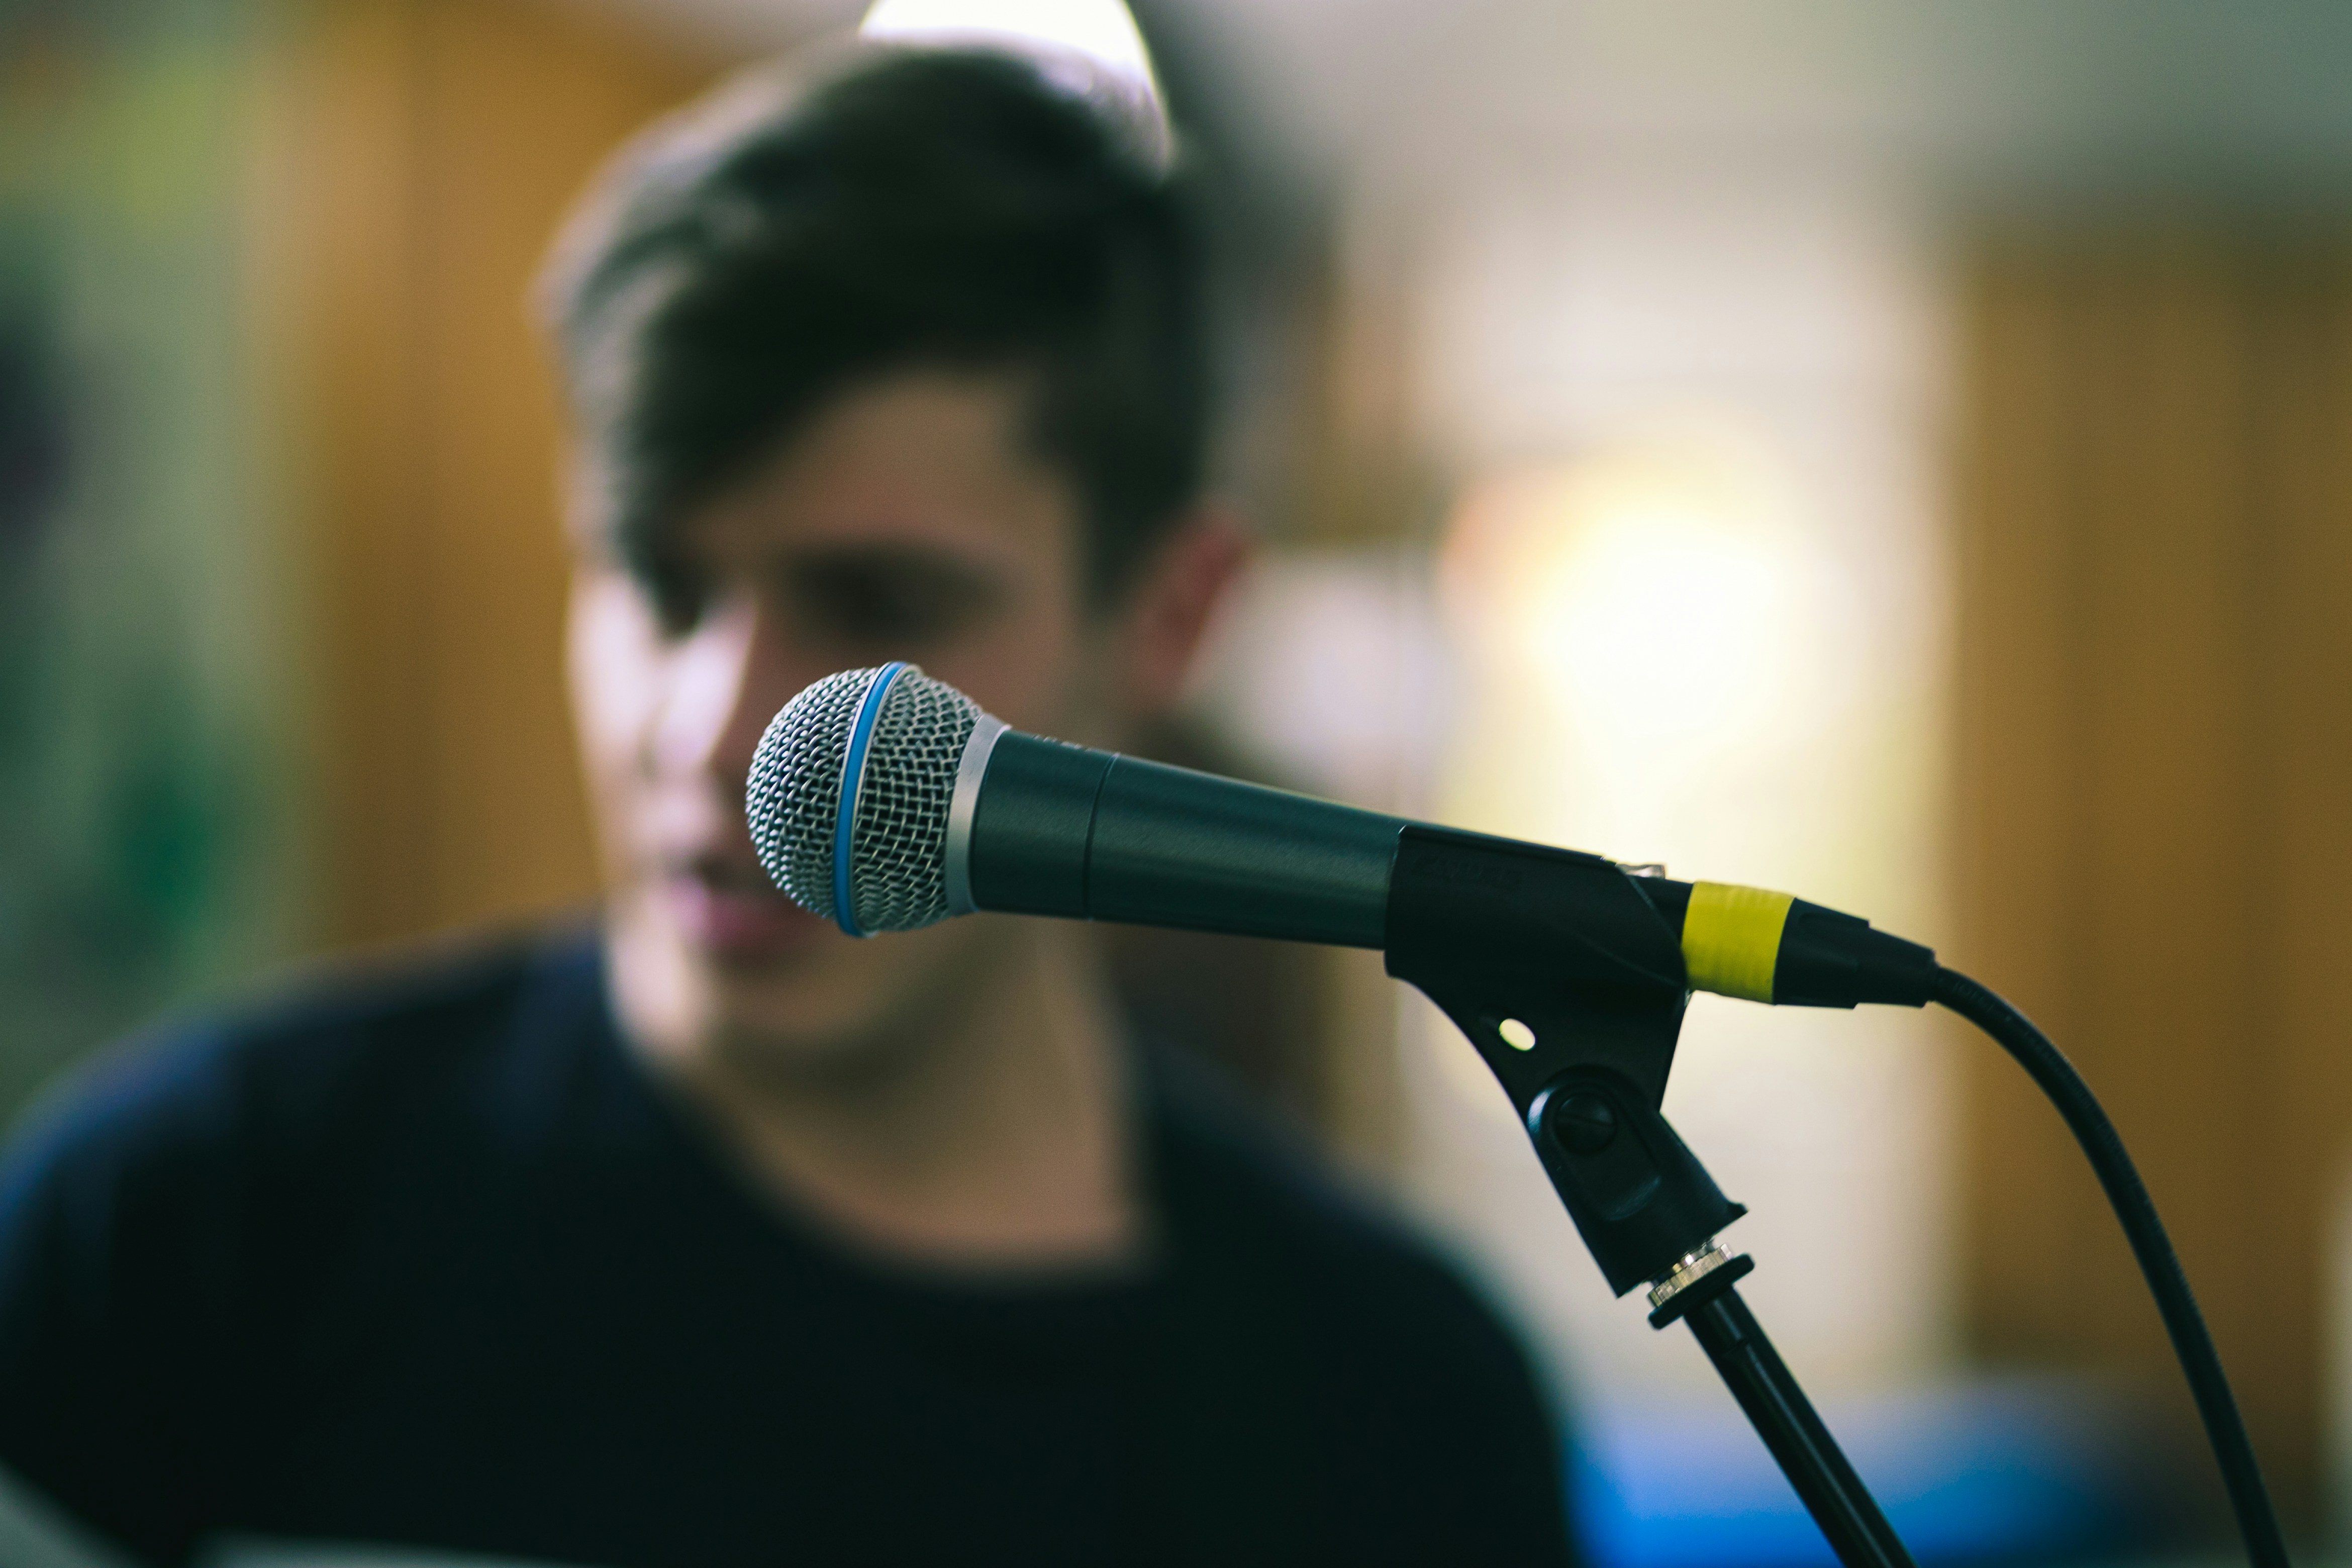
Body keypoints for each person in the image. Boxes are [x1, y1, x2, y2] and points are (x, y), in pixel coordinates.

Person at [0, 42, 1574, 1567]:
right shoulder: (185, 1238)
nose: (714, 729)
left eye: (875, 600)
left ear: (1165, 617)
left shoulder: (1400, 1420)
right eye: (663, 587)